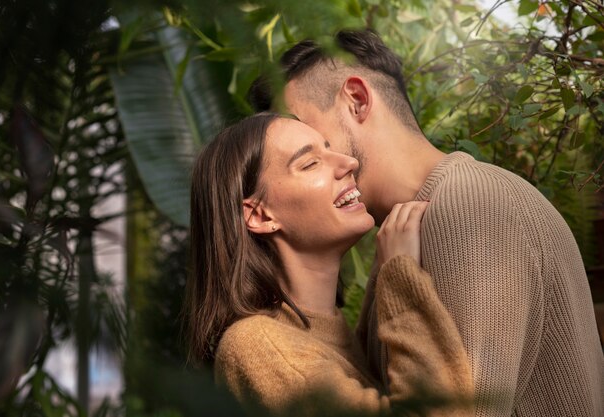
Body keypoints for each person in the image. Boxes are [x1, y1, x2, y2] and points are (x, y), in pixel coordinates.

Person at [248, 30, 604, 417]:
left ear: (357, 99)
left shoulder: (467, 205)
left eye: (307, 133)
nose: (305, 147)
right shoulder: (407, 231)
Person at [186, 112, 473, 416]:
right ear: (260, 215)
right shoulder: (259, 346)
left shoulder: (330, 333)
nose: (349, 163)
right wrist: (401, 278)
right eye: (310, 163)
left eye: (330, 149)